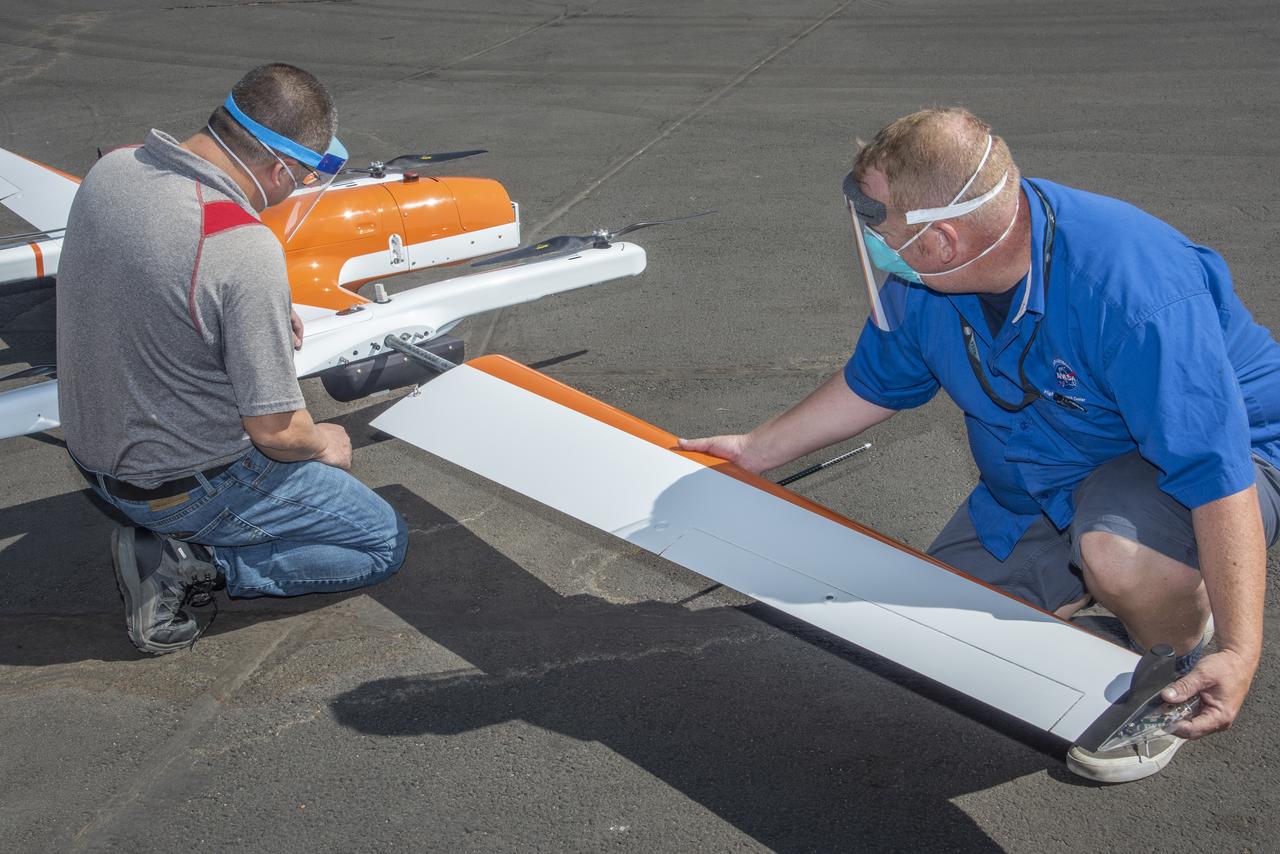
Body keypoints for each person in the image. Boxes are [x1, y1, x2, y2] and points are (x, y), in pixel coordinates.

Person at [681, 107, 1280, 784]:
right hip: (1045, 471)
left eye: (878, 224)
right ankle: (1095, 577)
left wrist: (1239, 649)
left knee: (1118, 553)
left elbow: (1215, 471)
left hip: (1214, 456)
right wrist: (754, 451)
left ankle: (1170, 658)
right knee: (939, 642)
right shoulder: (927, 282)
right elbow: (875, 383)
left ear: (941, 239)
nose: (871, 240)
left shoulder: (1135, 290)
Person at [55, 63, 409, 656]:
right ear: (278, 169)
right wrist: (325, 442)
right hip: (180, 485)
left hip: (94, 457)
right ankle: (190, 563)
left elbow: (141, 281)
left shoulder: (112, 170)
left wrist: (251, 312)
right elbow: (276, 432)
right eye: (298, 179)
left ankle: (176, 537)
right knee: (381, 543)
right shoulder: (240, 247)